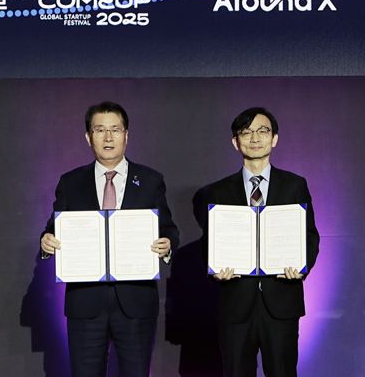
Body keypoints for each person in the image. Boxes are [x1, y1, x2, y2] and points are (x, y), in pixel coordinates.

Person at [40, 101, 179, 377]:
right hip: (85, 304)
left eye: (115, 129)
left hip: (136, 302)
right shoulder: (70, 182)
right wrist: (46, 241)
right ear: (88, 137)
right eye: (99, 130)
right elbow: (53, 228)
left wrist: (166, 245)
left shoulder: (150, 180)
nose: (108, 137)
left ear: (126, 135)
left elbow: (168, 228)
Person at [195, 107, 320, 377]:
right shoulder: (217, 191)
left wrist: (302, 266)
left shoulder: (294, 185)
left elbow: (310, 235)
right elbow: (210, 241)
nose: (255, 138)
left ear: (274, 139)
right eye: (246, 132)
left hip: (282, 301)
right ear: (235, 142)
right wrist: (215, 268)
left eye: (262, 131)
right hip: (235, 302)